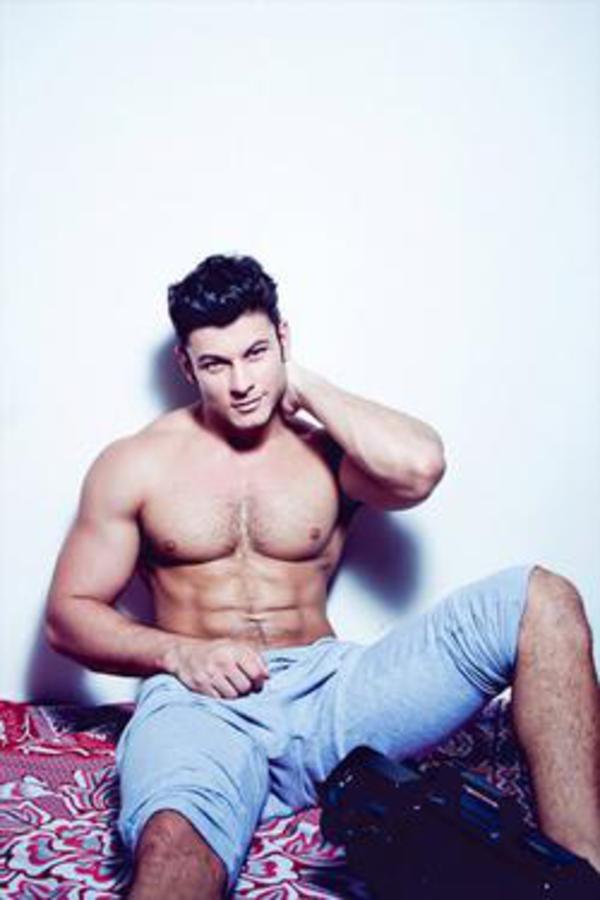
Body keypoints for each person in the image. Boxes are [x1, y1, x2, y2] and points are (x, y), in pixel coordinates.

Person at [46, 254, 600, 899]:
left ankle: (581, 871)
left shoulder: (325, 450)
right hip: (203, 707)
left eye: (256, 353)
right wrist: (179, 653)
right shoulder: (135, 464)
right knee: (172, 843)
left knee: (543, 598)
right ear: (186, 366)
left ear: (284, 338)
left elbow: (420, 466)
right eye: (216, 364)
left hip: (332, 695)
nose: (242, 383)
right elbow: (68, 614)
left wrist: (302, 385)